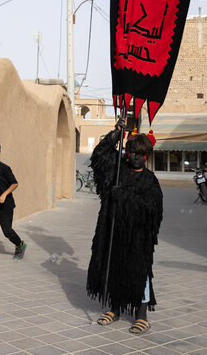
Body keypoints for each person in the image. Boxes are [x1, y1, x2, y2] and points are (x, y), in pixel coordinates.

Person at [86, 119, 163, 334]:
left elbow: (152, 208)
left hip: (137, 237)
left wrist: (126, 196)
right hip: (112, 230)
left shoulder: (149, 180)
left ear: (146, 155)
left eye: (142, 154)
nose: (137, 158)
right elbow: (99, 157)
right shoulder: (117, 170)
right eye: (133, 153)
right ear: (128, 152)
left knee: (139, 273)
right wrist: (116, 133)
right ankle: (115, 308)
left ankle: (141, 315)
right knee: (114, 268)